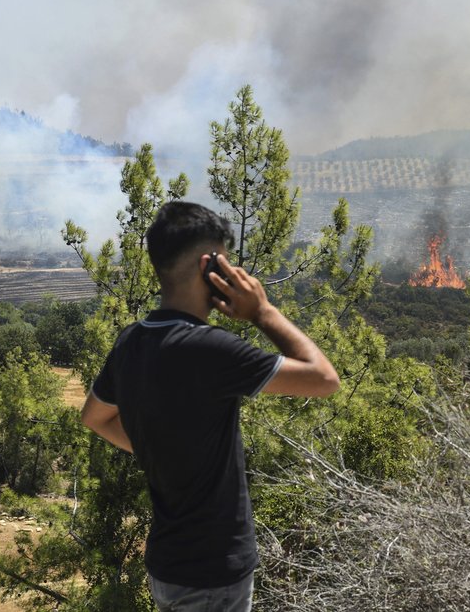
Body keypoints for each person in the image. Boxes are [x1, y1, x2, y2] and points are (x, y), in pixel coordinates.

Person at [80, 201, 340, 611]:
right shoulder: (211, 349)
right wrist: (263, 312)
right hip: (213, 573)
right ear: (210, 266)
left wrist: (155, 450)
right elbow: (325, 379)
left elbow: (94, 418)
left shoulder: (131, 342)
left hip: (167, 566)